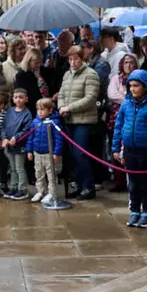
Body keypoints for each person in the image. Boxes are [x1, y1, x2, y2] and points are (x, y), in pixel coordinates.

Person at [112, 68, 147, 229]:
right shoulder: (126, 104)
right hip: (129, 149)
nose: (133, 89)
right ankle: (134, 209)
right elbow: (118, 125)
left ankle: (146, 210)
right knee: (133, 182)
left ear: (145, 86)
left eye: (137, 86)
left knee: (145, 182)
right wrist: (115, 147)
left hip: (145, 150)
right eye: (131, 86)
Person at [57, 46, 101, 200]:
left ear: (82, 59)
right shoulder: (67, 75)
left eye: (76, 59)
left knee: (81, 154)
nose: (73, 62)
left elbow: (90, 98)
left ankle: (88, 187)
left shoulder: (91, 75)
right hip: (69, 120)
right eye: (70, 59)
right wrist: (61, 107)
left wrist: (69, 107)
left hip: (84, 120)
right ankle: (80, 185)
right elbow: (61, 93)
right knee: (73, 156)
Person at [25, 97, 63, 205]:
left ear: (50, 110)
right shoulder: (35, 122)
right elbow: (30, 137)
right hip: (37, 152)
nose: (40, 112)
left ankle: (52, 193)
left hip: (49, 153)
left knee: (51, 174)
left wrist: (57, 153)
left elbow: (59, 139)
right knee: (39, 173)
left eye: (42, 109)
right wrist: (29, 150)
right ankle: (41, 191)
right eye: (38, 109)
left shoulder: (54, 122)